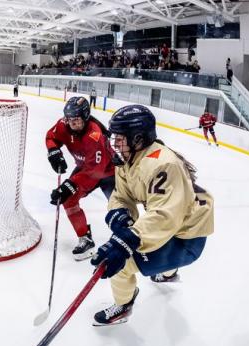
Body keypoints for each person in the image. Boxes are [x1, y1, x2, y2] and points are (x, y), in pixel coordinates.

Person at [90, 104, 214, 326]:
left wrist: (128, 240)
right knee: (136, 242)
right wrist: (120, 213)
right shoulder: (128, 159)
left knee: (121, 263)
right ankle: (168, 272)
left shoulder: (162, 163)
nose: (115, 143)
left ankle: (123, 305)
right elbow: (122, 194)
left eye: (120, 138)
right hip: (173, 227)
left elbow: (164, 216)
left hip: (187, 238)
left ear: (137, 138)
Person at [45, 96, 115, 260]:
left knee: (120, 209)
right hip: (86, 168)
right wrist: (54, 151)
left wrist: (70, 184)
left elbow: (96, 171)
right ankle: (85, 238)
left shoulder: (94, 135)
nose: (72, 123)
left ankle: (134, 242)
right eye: (69, 119)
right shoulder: (64, 125)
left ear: (85, 117)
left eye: (76, 120)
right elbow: (51, 136)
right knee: (69, 200)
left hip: (108, 172)